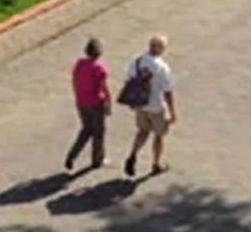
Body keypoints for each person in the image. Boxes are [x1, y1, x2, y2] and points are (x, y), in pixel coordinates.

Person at [121, 33, 178, 178]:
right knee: (159, 136)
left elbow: (128, 80)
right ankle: (156, 164)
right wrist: (172, 112)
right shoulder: (162, 67)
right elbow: (168, 91)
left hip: (141, 104)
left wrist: (132, 101)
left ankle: (133, 154)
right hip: (157, 106)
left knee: (142, 131)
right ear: (160, 49)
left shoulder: (137, 61)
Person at [65, 36, 111, 170]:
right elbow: (104, 87)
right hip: (96, 103)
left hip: (81, 102)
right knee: (98, 132)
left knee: (86, 129)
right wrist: (108, 102)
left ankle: (72, 155)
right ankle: (97, 159)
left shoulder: (79, 64)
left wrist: (77, 95)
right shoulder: (99, 68)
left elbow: (74, 81)